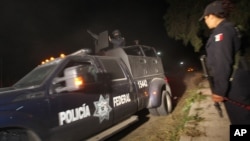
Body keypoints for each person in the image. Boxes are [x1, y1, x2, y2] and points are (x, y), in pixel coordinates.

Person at [200, 0, 250, 124]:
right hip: (240, 80)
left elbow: (222, 63)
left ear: (211, 15)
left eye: (205, 18)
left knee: (240, 121)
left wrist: (219, 91)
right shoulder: (231, 28)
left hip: (234, 85)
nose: (205, 21)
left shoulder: (222, 32)